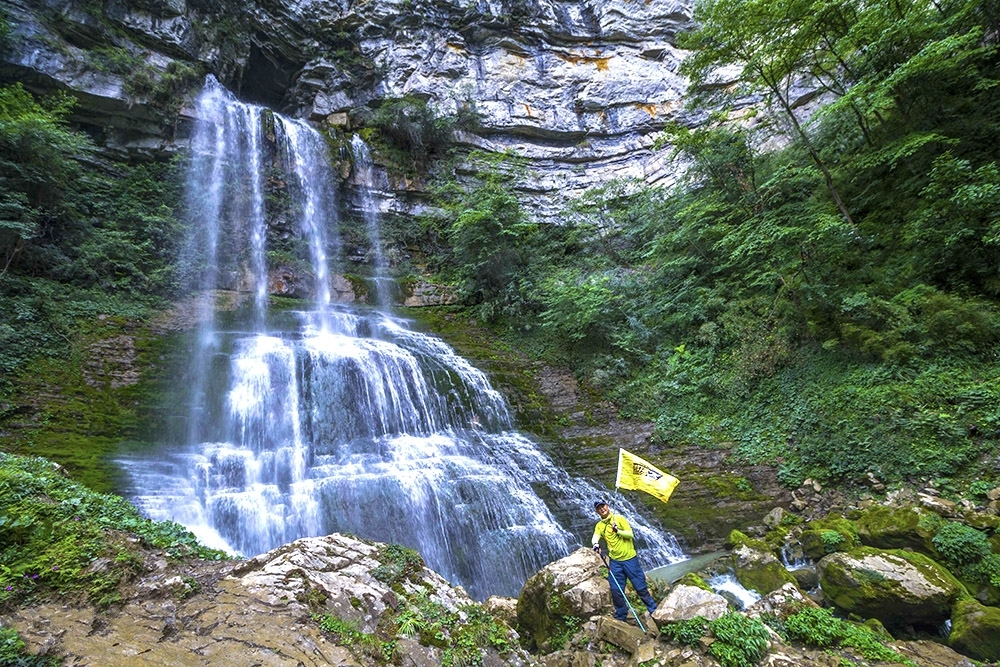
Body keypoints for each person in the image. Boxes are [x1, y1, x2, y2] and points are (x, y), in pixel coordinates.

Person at [591, 500, 658, 622]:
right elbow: (596, 535)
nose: (602, 509)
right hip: (615, 562)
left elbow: (630, 535)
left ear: (607, 506)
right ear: (597, 511)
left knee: (640, 588)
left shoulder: (619, 519)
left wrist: (618, 531)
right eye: (599, 508)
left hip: (630, 560)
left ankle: (653, 610)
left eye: (603, 506)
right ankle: (621, 616)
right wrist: (595, 543)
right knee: (616, 590)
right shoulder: (600, 525)